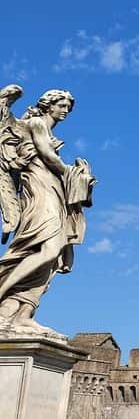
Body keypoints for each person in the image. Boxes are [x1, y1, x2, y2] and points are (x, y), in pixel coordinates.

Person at [0, 88, 95, 330]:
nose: (66, 111)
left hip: (54, 190)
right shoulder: (35, 123)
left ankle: (23, 312)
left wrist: (81, 178)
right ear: (48, 104)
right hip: (39, 189)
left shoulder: (48, 131)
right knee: (47, 247)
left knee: (53, 253)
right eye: (62, 105)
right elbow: (47, 156)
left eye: (68, 108)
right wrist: (75, 174)